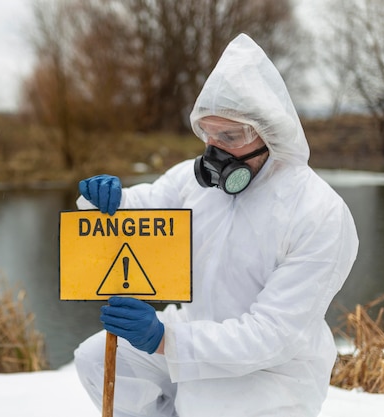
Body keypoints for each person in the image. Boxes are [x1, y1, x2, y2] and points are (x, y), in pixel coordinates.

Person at [73, 33, 358, 417]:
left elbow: (271, 335)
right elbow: (137, 212)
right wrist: (103, 201)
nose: (215, 151)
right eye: (208, 133)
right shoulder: (194, 182)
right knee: (97, 358)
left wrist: (165, 340)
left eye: (231, 136)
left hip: (271, 374)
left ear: (269, 133)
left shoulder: (318, 213)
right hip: (191, 331)